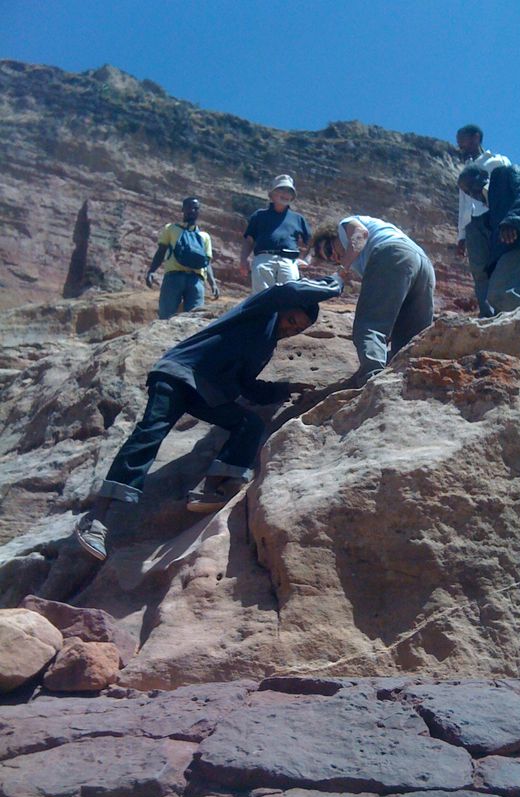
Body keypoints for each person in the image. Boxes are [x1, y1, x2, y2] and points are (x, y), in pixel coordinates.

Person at [76, 275, 343, 561]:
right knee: (150, 433)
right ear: (283, 309)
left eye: (298, 329)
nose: (291, 330)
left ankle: (209, 489)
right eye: (292, 321)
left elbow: (247, 386)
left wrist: (284, 389)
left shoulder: (265, 346)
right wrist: (334, 285)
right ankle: (96, 518)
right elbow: (287, 290)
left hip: (205, 393)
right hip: (177, 374)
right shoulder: (260, 311)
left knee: (249, 424)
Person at [311, 216, 435, 381]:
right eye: (329, 260)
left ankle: (373, 379)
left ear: (333, 235)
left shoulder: (345, 224)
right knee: (412, 337)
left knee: (369, 325)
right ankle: (413, 381)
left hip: (393, 253)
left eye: (328, 249)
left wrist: (341, 270)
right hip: (423, 265)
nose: (333, 257)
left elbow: (361, 233)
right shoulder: (365, 256)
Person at [458, 163, 520, 313]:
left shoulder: (510, 171)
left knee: (502, 294)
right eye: (466, 192)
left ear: (482, 177)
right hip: (517, 245)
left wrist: (513, 221)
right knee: (501, 300)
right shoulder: (493, 206)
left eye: (470, 186)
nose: (470, 193)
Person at [456, 124, 511, 317]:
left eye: (462, 141)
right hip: (473, 224)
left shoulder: (497, 161)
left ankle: (505, 310)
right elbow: (463, 204)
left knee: (500, 264)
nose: (461, 147)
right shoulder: (464, 171)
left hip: (494, 217)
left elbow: (509, 188)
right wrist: (461, 236)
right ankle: (487, 314)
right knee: (479, 269)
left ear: (476, 137)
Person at [145, 196, 219, 319]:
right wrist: (151, 271)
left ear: (199, 211)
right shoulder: (171, 229)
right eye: (189, 208)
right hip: (174, 277)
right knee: (166, 318)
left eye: (196, 208)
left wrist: (213, 284)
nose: (192, 211)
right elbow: (161, 251)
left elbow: (207, 263)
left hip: (196, 280)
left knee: (195, 319)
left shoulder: (205, 236)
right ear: (183, 209)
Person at [240, 175, 312, 294]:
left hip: (289, 262)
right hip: (263, 260)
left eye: (289, 191)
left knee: (289, 299)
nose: (286, 194)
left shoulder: (298, 219)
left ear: (292, 197)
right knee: (262, 299)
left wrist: (307, 260)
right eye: (281, 190)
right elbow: (249, 240)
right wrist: (243, 260)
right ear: (272, 194)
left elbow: (311, 243)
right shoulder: (259, 215)